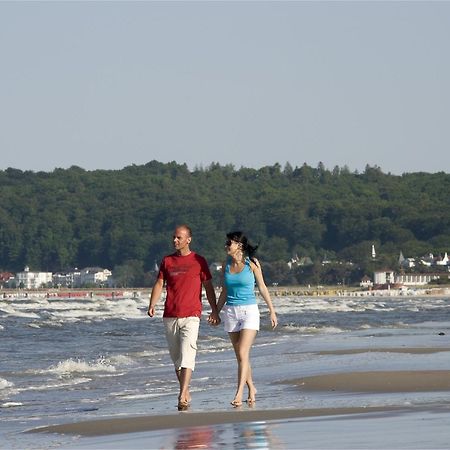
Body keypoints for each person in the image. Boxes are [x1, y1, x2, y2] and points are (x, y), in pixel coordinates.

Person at [147, 225, 220, 411]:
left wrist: (214, 310)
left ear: (188, 239)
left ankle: (182, 394)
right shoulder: (167, 261)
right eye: (173, 237)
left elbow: (208, 287)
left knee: (188, 352)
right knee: (177, 359)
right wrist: (152, 304)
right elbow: (159, 283)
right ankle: (185, 390)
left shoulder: (199, 261)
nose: (175, 241)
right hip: (170, 314)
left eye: (178, 237)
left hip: (192, 315)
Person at [216, 231, 277, 407]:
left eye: (229, 243)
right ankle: (252, 388)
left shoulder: (252, 263)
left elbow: (263, 288)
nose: (226, 245)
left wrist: (272, 311)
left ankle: (239, 393)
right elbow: (224, 292)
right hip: (231, 312)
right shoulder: (225, 264)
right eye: (226, 242)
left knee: (243, 353)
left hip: (249, 311)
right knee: (241, 357)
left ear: (239, 245)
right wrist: (215, 311)